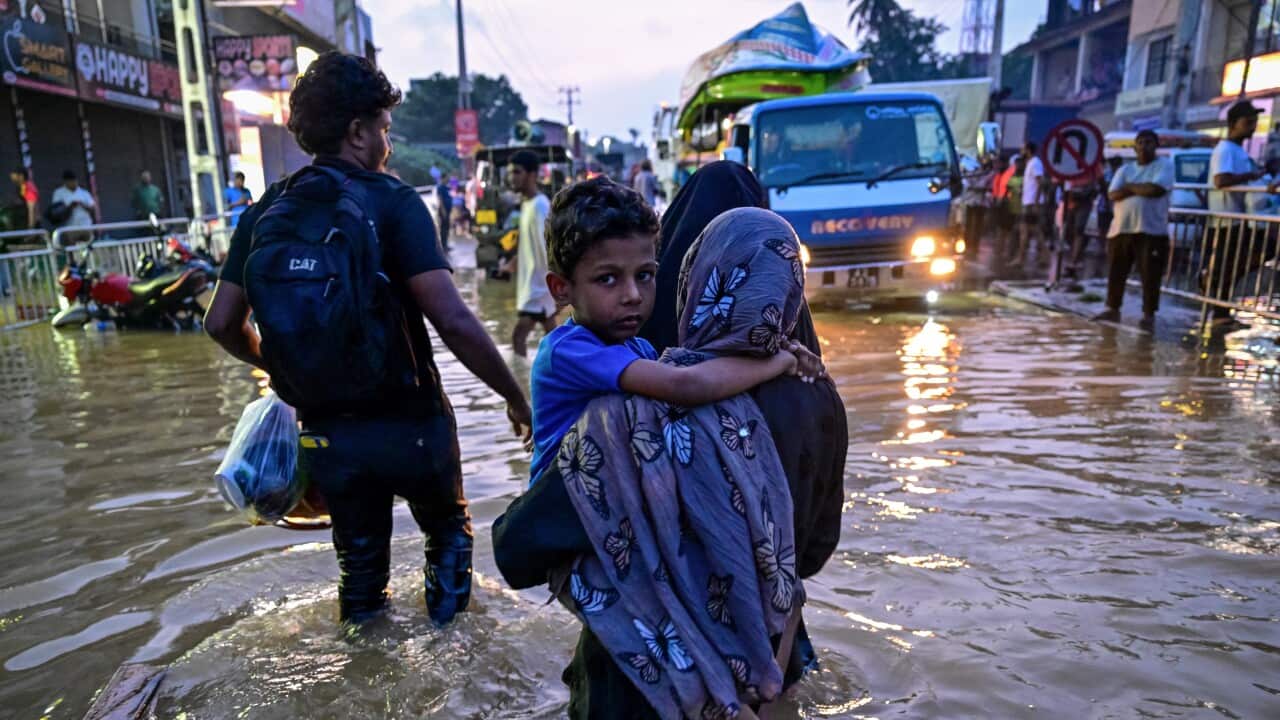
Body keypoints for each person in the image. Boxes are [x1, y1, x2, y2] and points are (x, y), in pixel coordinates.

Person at [204, 51, 532, 627]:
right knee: (448, 539)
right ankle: (454, 680)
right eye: (384, 128)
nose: (389, 142)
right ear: (357, 131)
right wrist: (514, 394)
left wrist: (283, 371)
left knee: (359, 576)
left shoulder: (265, 213)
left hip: (329, 435)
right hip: (413, 424)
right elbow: (452, 320)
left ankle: (363, 678)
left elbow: (221, 323)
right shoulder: (394, 202)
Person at [494, 200, 839, 719]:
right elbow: (811, 553)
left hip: (632, 679)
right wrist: (784, 357)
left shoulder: (635, 415)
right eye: (609, 279)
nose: (634, 295)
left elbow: (520, 547)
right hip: (766, 645)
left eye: (647, 275)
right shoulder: (821, 399)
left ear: (694, 276)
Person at [1092, 129, 1174, 332]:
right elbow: (1113, 194)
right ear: (1135, 147)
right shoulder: (1124, 170)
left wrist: (1128, 188)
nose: (1144, 146)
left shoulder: (1165, 166)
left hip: (1151, 230)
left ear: (1156, 146)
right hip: (1121, 229)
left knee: (1150, 274)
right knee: (1116, 271)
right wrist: (1138, 188)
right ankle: (1112, 308)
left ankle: (1148, 314)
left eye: (1149, 142)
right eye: (1141, 142)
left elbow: (1156, 190)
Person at [1207, 101, 1266, 323]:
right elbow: (1221, 180)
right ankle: (1217, 305)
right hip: (1226, 219)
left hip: (1239, 218)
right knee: (1229, 263)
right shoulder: (1225, 150)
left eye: (1254, 122)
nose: (1252, 127)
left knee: (1237, 261)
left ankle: (1220, 307)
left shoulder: (1239, 151)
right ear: (1233, 124)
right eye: (1248, 122)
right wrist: (1251, 177)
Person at [510, 149, 558, 357]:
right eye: (511, 172)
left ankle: (522, 383)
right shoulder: (527, 203)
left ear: (532, 175)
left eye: (517, 172)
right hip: (534, 286)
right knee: (554, 338)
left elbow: (548, 247)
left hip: (538, 288)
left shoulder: (540, 205)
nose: (512, 178)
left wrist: (554, 286)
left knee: (518, 337)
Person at [1012, 141, 1046, 268]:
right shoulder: (1031, 163)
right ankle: (1044, 256)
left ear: (1028, 150)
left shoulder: (1035, 163)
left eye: (1023, 149)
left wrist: (1036, 202)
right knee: (1034, 230)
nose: (1021, 151)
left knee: (1025, 230)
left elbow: (1040, 182)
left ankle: (1020, 258)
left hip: (1031, 203)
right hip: (1028, 201)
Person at [50, 170, 96, 246]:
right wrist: (70, 206)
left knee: (87, 248)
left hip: (85, 226)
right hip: (69, 228)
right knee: (72, 249)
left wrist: (81, 204)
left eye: (74, 181)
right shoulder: (59, 193)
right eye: (70, 181)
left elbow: (92, 209)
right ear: (65, 182)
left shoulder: (83, 192)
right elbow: (56, 211)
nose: (73, 183)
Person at [435, 171, 453, 252]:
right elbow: (440, 200)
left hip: (447, 211)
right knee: (443, 229)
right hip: (443, 211)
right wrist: (443, 211)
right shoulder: (440, 187)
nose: (448, 179)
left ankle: (446, 244)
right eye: (447, 178)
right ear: (443, 178)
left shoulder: (445, 187)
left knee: (447, 228)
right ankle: (443, 246)